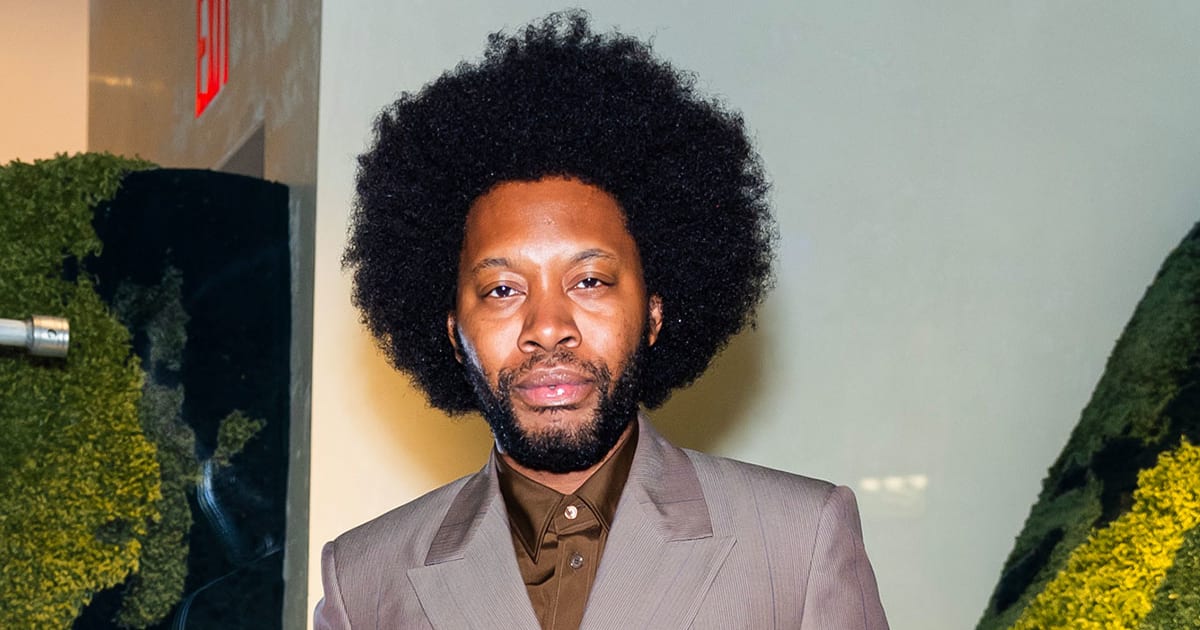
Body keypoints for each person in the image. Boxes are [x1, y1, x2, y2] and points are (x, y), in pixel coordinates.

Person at [316, 12, 888, 629]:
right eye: (503, 289)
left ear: (655, 312)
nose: (547, 326)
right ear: (455, 333)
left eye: (589, 281)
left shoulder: (798, 544)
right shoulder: (365, 582)